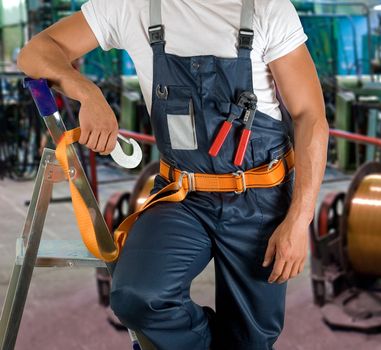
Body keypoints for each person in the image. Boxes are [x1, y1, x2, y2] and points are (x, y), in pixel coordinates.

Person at [17, 0, 328, 348]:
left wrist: (299, 221)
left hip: (260, 199)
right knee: (138, 295)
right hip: (182, 195)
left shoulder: (266, 8)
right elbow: (35, 52)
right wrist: (88, 94)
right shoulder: (131, 6)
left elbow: (311, 117)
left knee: (251, 339)